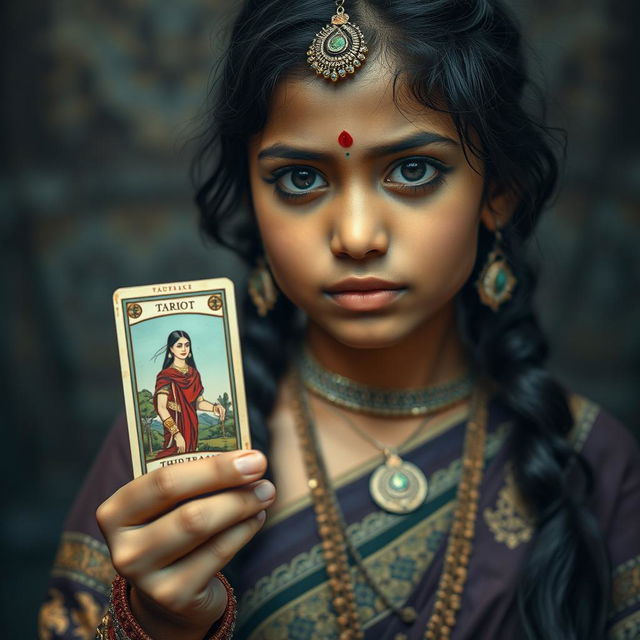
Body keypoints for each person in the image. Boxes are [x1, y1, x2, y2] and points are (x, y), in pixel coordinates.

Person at [39, 0, 640, 639]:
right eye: (300, 178)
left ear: (498, 192)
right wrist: (159, 623)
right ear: (251, 196)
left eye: (413, 171)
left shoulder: (589, 460)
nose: (355, 237)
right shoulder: (177, 459)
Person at [152, 330, 226, 459]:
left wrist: (215, 408)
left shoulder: (194, 374)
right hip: (175, 428)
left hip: (191, 425)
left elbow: (198, 402)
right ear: (171, 349)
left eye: (187, 345)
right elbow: (161, 408)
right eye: (179, 345)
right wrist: (176, 434)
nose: (184, 349)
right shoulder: (165, 376)